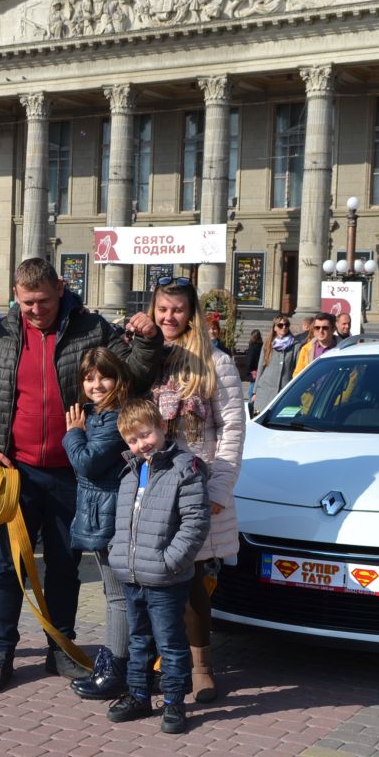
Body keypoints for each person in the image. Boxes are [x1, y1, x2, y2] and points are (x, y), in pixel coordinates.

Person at [0, 257, 164, 692]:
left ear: (60, 288)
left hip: (72, 473)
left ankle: (61, 647)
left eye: (43, 300)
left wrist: (148, 341)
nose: (35, 310)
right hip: (14, 472)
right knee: (8, 568)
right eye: (27, 303)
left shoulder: (92, 329)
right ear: (15, 297)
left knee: (64, 566)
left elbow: (132, 375)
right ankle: (2, 652)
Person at [145, 277, 245, 703]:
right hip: (151, 483)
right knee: (154, 578)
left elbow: (232, 427)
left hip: (196, 485)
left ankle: (201, 667)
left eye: (178, 309)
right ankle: (159, 661)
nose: (169, 317)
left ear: (191, 314)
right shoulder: (147, 353)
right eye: (163, 309)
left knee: (193, 582)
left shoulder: (215, 361)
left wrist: (220, 487)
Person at [105, 397, 211, 735]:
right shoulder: (129, 471)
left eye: (146, 434)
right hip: (133, 575)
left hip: (166, 577)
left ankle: (174, 701)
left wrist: (170, 562)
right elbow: (123, 521)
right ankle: (138, 694)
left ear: (162, 427)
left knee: (170, 643)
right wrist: (116, 552)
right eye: (133, 440)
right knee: (138, 640)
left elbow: (195, 523)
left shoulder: (185, 468)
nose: (141, 444)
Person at [64, 347, 133, 701]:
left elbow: (87, 463)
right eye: (89, 378)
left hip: (112, 515)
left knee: (117, 595)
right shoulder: (98, 415)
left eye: (104, 377)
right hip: (101, 513)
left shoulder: (115, 418)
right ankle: (120, 664)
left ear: (118, 379)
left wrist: (73, 434)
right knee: (114, 593)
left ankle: (116, 670)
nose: (96, 385)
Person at [251, 315, 299, 415]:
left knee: (283, 420)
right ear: (275, 328)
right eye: (280, 325)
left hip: (284, 392)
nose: (284, 327)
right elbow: (261, 368)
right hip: (264, 393)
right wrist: (255, 392)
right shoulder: (267, 344)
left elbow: (297, 369)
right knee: (259, 418)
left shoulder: (296, 345)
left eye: (286, 325)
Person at [292, 312, 338, 377]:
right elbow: (297, 374)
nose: (321, 331)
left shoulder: (342, 348)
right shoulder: (306, 349)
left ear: (333, 329)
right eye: (317, 328)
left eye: (325, 328)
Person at [243, 328, 264, 400]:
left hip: (253, 373)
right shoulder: (262, 347)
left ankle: (251, 406)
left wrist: (247, 373)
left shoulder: (252, 348)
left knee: (251, 393)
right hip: (261, 372)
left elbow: (249, 361)